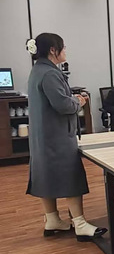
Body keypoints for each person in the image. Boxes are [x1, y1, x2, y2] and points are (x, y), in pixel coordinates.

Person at [25, 33, 107, 241]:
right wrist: (78, 101)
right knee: (71, 175)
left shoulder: (38, 70)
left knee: (45, 175)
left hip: (42, 136)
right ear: (53, 50)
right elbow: (62, 105)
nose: (65, 51)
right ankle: (80, 224)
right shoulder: (50, 74)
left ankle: (52, 219)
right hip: (57, 136)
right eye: (63, 47)